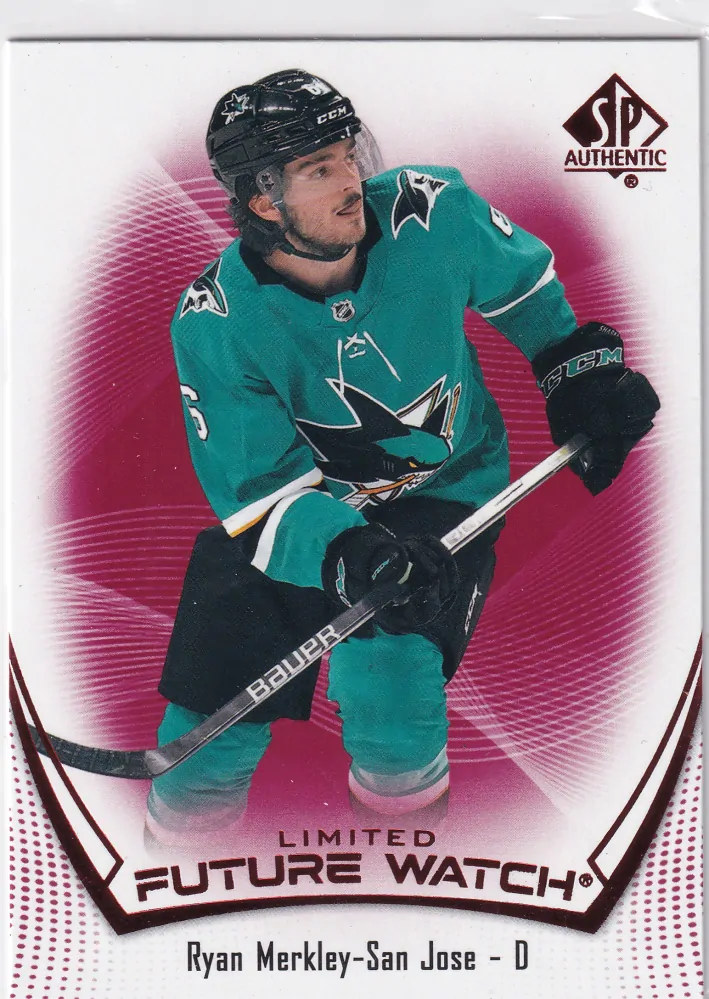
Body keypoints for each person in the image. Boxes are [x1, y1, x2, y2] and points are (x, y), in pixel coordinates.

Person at [145, 69, 659, 850]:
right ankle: (172, 879)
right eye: (318, 169)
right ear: (262, 200)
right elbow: (261, 495)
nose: (351, 180)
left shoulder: (430, 209)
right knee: (204, 735)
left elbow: (526, 292)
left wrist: (579, 377)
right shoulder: (214, 320)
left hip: (444, 489)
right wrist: (347, 552)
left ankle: (400, 874)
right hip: (299, 517)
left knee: (392, 699)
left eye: (347, 155)